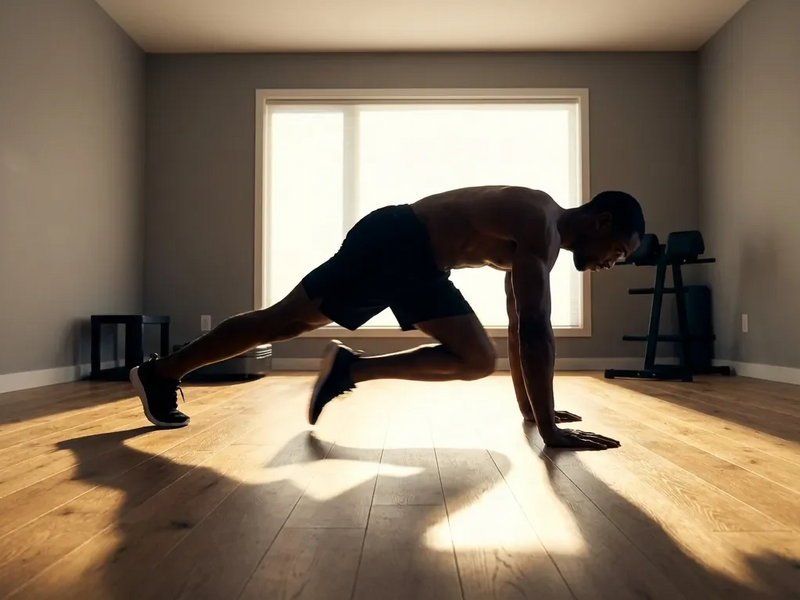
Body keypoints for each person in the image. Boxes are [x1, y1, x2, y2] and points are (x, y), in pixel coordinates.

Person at [130, 185, 644, 450]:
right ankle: (165, 372)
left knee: (283, 323)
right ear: (601, 222)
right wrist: (552, 428)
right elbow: (535, 328)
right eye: (617, 250)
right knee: (282, 322)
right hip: (402, 241)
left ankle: (163, 372)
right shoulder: (540, 223)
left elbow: (519, 323)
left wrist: (535, 413)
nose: (610, 263)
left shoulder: (535, 235)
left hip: (408, 251)